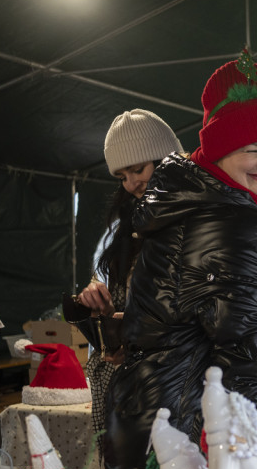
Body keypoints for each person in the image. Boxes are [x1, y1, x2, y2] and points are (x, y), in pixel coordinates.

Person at [104, 58, 257, 469]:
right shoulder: (231, 220)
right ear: (218, 149)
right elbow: (251, 354)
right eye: (253, 148)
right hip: (198, 447)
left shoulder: (190, 204)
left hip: (158, 430)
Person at [76, 109, 183, 435]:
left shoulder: (198, 219)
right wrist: (101, 303)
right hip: (131, 382)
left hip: (176, 382)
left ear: (170, 160)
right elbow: (124, 300)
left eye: (138, 169)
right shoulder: (132, 222)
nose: (132, 183)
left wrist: (139, 327)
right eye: (122, 176)